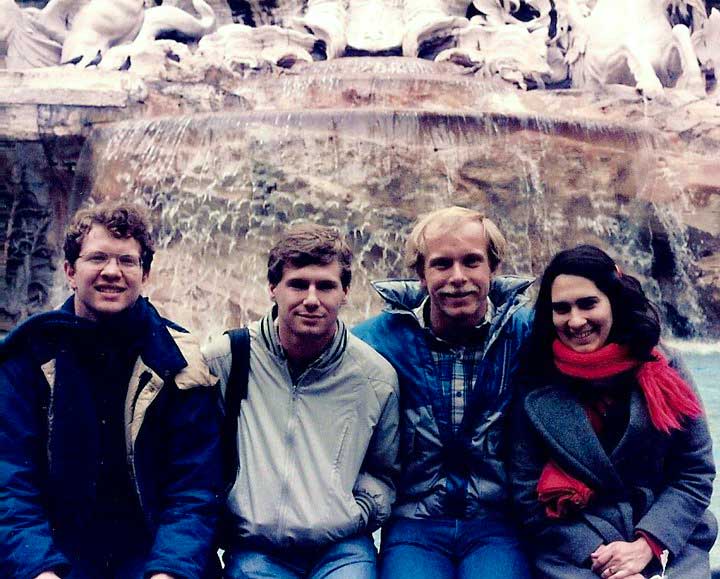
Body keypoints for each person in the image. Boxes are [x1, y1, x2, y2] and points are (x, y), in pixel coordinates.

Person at [0, 202, 223, 579]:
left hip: (151, 554)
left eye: (126, 261)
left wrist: (169, 570)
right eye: (97, 258)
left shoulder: (180, 362)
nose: (111, 272)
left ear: (145, 273)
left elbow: (195, 489)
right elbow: (9, 482)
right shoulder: (27, 359)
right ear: (70, 272)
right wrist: (38, 568)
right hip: (53, 552)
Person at [203, 224, 400, 579]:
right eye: (298, 284)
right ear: (273, 288)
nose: (311, 299)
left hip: (342, 547)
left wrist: (356, 512)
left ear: (345, 292)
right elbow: (198, 452)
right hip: (256, 547)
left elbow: (386, 469)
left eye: (325, 286)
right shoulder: (227, 359)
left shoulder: (374, 377)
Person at [511, 244, 716, 579]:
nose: (575, 321)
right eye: (561, 309)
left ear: (613, 301)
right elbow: (526, 495)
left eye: (588, 303)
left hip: (667, 541)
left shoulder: (664, 367)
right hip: (576, 550)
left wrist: (645, 546)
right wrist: (610, 562)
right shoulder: (535, 382)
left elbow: (694, 472)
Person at [353, 206, 533, 579]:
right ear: (421, 274)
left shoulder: (528, 333)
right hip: (414, 523)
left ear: (492, 268)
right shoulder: (376, 341)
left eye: (471, 262)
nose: (458, 278)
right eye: (441, 264)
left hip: (496, 522)